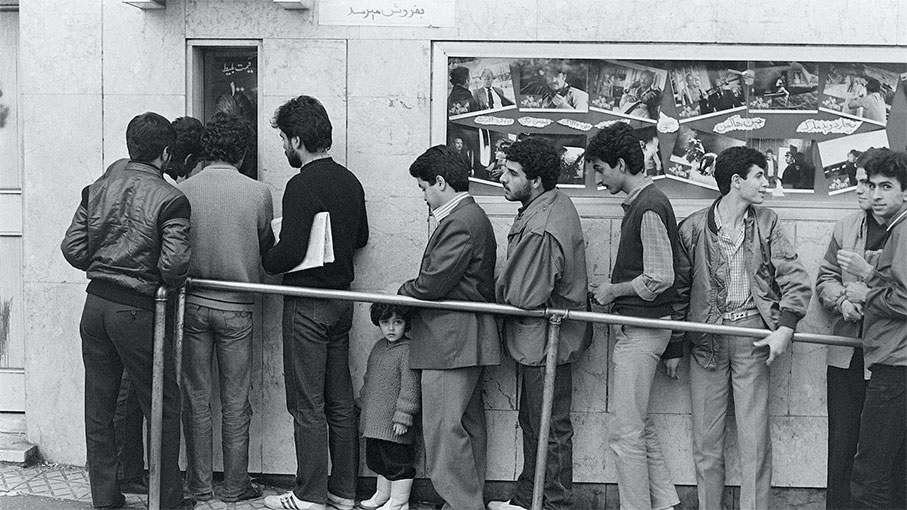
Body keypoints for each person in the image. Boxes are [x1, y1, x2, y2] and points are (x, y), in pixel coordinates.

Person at [61, 112, 194, 510]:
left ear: (130, 146)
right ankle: (167, 499)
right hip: (136, 310)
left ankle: (105, 497)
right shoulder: (172, 198)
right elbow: (174, 266)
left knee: (98, 407)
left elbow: (73, 248)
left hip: (95, 305)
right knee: (163, 406)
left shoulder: (98, 188)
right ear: (167, 154)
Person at [672, 146, 811, 510]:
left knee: (754, 443)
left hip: (754, 336)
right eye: (760, 175)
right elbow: (679, 291)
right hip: (706, 341)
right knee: (706, 443)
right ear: (737, 182)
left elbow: (795, 278)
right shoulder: (692, 227)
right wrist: (673, 346)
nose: (767, 182)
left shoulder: (767, 222)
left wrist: (786, 326)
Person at [262, 95, 369, 510]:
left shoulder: (300, 184)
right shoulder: (351, 181)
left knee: (307, 403)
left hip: (307, 302)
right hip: (342, 301)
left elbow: (287, 254)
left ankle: (308, 495)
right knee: (340, 402)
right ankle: (343, 492)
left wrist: (265, 251)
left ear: (299, 139)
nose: (284, 148)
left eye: (286, 140)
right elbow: (360, 238)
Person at [488, 138, 591, 510]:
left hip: (544, 340)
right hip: (540, 340)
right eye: (504, 169)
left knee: (548, 427)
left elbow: (524, 295)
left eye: (512, 173)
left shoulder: (541, 225)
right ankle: (529, 497)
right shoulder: (548, 204)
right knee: (536, 424)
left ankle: (553, 504)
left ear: (536, 181)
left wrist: (497, 291)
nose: (503, 178)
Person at [177, 113, 274, 503]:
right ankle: (236, 486)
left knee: (197, 399)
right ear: (243, 150)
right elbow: (266, 244)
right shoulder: (258, 192)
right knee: (236, 402)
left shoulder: (184, 190)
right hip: (237, 307)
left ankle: (199, 485)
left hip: (195, 303)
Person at [397, 145, 500, 510]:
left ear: (440, 182)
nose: (423, 195)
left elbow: (431, 285)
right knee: (468, 428)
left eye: (424, 187)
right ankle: (467, 500)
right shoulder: (472, 217)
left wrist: (402, 291)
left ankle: (462, 504)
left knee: (444, 431)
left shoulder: (459, 221)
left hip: (449, 341)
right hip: (465, 340)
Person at [584, 123, 681, 510]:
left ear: (621, 164)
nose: (598, 178)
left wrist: (614, 291)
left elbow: (661, 276)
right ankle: (666, 504)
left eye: (602, 170)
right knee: (639, 428)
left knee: (625, 434)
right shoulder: (647, 203)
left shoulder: (648, 206)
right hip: (647, 328)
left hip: (642, 330)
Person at [815, 149, 887, 510]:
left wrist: (869, 294)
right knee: (841, 447)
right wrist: (841, 300)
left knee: (880, 453)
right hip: (845, 352)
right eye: (859, 182)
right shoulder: (845, 227)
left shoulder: (899, 229)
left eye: (870, 183)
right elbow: (825, 276)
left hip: (889, 357)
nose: (864, 191)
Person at [835, 148, 907, 510]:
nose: (877, 195)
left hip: (896, 369)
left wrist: (867, 286)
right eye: (872, 185)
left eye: (887, 186)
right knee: (894, 474)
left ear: (905, 191)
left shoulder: (903, 231)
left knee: (869, 476)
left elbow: (906, 300)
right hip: (894, 363)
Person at [357, 303, 421, 510]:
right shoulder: (378, 348)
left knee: (397, 461)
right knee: (379, 460)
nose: (391, 329)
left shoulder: (408, 350)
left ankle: (399, 500)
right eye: (385, 323)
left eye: (398, 322)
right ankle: (382, 494)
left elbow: (410, 387)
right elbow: (370, 380)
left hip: (395, 423)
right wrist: (362, 403)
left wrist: (404, 415)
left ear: (406, 324)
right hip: (376, 421)